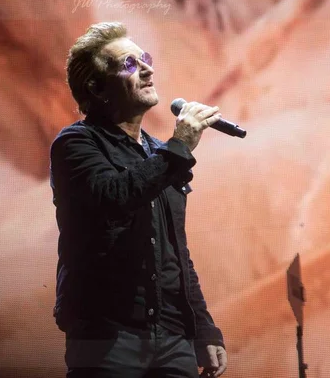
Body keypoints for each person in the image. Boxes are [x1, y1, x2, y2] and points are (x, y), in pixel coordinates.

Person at [50, 21, 228, 378]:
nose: (147, 68)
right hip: (107, 335)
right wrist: (178, 147)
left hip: (173, 337)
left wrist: (204, 327)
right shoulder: (76, 144)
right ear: (96, 87)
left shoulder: (160, 155)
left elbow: (176, 251)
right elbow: (115, 196)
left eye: (144, 58)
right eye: (129, 64)